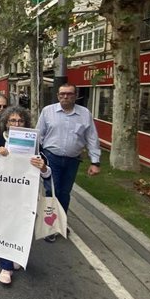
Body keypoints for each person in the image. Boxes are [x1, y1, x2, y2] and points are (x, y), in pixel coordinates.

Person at [0, 106, 52, 286]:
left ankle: (15, 254)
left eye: (20, 121)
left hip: (25, 195)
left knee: (20, 227)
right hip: (2, 193)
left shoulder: (34, 142)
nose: (16, 124)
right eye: (12, 121)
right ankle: (5, 266)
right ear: (6, 123)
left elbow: (47, 173)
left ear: (26, 123)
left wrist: (43, 167)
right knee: (5, 227)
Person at [37, 83, 100, 242]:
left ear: (75, 95)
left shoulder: (85, 114)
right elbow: (38, 134)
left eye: (69, 94)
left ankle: (61, 222)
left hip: (73, 160)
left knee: (64, 193)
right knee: (52, 191)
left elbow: (92, 138)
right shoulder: (47, 112)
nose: (65, 97)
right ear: (58, 95)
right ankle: (51, 227)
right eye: (62, 94)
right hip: (52, 158)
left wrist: (95, 162)